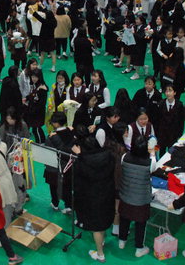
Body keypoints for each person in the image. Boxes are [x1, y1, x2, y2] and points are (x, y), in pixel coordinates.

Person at [72, 129, 116, 262]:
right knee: (103, 222)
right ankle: (101, 242)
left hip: (92, 199)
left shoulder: (82, 162)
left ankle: (100, 254)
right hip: (107, 195)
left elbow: (78, 183)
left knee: (96, 227)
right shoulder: (109, 156)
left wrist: (80, 156)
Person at [117, 136, 156, 258]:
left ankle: (122, 241)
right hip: (141, 199)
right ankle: (139, 248)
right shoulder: (150, 162)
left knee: (124, 218)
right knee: (141, 223)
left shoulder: (125, 157)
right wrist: (153, 153)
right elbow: (153, 170)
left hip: (126, 195)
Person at [44, 112, 75, 213]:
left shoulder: (51, 137)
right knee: (68, 186)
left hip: (54, 167)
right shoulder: (71, 132)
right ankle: (68, 205)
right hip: (69, 166)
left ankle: (55, 203)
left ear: (56, 123)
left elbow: (48, 153)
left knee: (53, 186)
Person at [155, 84, 185, 155]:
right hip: (162, 134)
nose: (168, 93)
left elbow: (181, 121)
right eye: (166, 91)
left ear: (174, 92)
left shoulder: (179, 105)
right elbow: (157, 120)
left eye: (170, 90)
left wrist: (179, 135)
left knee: (172, 153)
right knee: (161, 152)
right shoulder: (161, 104)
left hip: (173, 134)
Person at [23, 67, 48, 143]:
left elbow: (41, 103)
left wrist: (33, 111)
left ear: (39, 77)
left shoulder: (42, 88)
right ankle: (41, 142)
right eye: (32, 76)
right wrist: (27, 98)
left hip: (37, 113)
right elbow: (32, 94)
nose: (33, 78)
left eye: (35, 77)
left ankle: (41, 143)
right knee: (36, 129)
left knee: (36, 129)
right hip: (33, 111)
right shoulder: (35, 85)